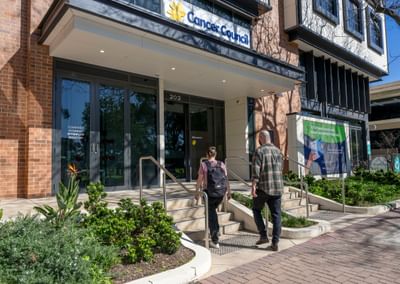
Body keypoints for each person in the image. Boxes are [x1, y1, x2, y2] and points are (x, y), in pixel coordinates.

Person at [251, 130, 284, 251]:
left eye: (258, 138)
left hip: (263, 188)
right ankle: (275, 242)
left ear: (261, 138)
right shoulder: (278, 151)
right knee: (276, 215)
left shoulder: (259, 151)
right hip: (277, 187)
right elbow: (280, 169)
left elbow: (256, 170)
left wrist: (253, 185)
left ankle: (263, 235)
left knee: (256, 210)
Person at [196, 146, 231, 249]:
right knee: (213, 213)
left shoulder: (204, 164)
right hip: (220, 193)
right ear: (215, 155)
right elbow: (226, 179)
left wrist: (197, 192)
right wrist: (229, 192)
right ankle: (216, 232)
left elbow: (199, 180)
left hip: (209, 194)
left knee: (211, 216)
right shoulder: (221, 164)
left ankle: (215, 240)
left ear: (207, 155)